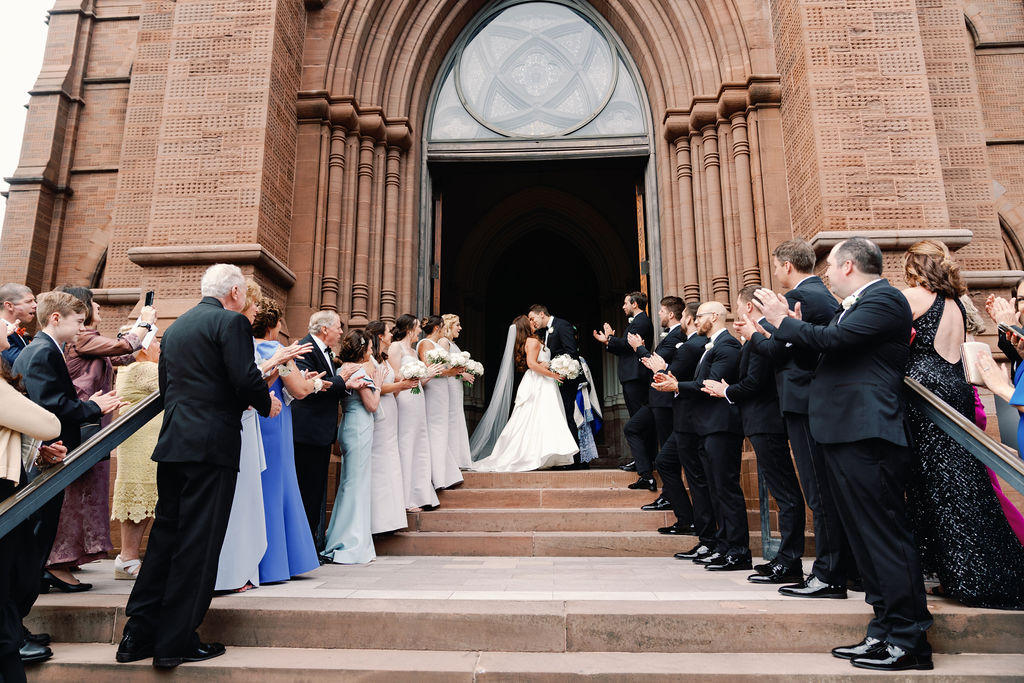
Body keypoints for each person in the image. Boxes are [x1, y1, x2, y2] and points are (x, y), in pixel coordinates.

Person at [755, 237, 933, 672]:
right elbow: (829, 346)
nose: (825, 274)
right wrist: (790, 331)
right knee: (864, 538)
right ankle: (883, 630)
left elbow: (835, 340)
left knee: (884, 536)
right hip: (844, 432)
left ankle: (909, 639)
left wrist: (782, 323)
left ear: (849, 266)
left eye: (830, 266)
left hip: (867, 433)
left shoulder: (885, 299)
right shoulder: (856, 304)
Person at [116, 264, 278, 669]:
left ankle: (137, 636)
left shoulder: (177, 327)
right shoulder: (231, 324)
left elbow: (169, 388)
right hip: (211, 447)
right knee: (199, 543)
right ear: (236, 292)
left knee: (166, 538)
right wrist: (266, 403)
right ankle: (176, 641)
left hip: (173, 445)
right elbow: (243, 378)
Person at [901, 240, 1024, 609]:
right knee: (964, 479)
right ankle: (964, 570)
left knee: (935, 484)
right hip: (957, 388)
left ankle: (967, 574)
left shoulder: (914, 297)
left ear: (915, 267)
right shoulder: (954, 303)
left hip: (925, 391)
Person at [736, 238, 850, 599]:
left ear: (787, 265)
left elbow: (787, 352)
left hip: (807, 402)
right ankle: (829, 571)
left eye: (774, 265)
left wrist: (758, 333)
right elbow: (787, 347)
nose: (773, 272)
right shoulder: (809, 296)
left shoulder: (809, 297)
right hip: (802, 403)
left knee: (819, 493)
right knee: (818, 491)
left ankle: (830, 575)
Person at [45, 287, 155, 589]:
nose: (99, 309)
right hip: (80, 420)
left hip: (94, 422)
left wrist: (145, 334)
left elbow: (126, 355)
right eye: (94, 304)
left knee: (85, 491)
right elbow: (125, 346)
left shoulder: (89, 340)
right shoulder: (82, 338)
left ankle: (67, 558)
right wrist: (144, 322)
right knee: (72, 495)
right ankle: (55, 563)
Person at [703, 286, 804, 585]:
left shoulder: (762, 336)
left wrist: (726, 391)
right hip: (760, 422)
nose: (735, 311)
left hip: (767, 421)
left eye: (737, 305)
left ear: (748, 308)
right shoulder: (756, 338)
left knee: (785, 493)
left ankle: (789, 561)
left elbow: (755, 383)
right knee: (782, 492)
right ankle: (784, 558)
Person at [661, 301, 748, 571]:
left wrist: (677, 385)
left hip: (721, 427)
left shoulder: (727, 346)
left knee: (726, 490)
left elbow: (710, 383)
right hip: (707, 427)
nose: (695, 321)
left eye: (699, 317)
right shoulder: (711, 346)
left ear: (714, 316)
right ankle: (723, 546)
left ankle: (739, 551)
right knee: (715, 489)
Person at [0, 318, 63, 679]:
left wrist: (38, 455)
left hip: (9, 489)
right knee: (13, 585)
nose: (10, 325)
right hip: (3, 499)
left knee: (16, 584)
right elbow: (49, 424)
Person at [251, 297, 322, 584]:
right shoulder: (278, 350)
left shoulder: (246, 347)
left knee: (257, 487)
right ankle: (276, 563)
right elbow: (298, 388)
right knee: (276, 487)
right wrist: (314, 383)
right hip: (274, 422)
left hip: (251, 420)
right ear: (273, 324)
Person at [472, 315, 577, 472]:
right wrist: (553, 375)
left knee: (539, 418)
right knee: (538, 417)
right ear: (525, 327)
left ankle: (540, 454)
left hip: (541, 381)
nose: (533, 322)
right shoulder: (533, 341)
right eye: (530, 322)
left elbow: (536, 362)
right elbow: (532, 364)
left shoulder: (531, 340)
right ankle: (535, 454)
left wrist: (549, 365)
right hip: (540, 382)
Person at [290, 311, 352, 551]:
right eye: (338, 327)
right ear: (324, 329)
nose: (340, 332)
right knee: (306, 492)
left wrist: (343, 384)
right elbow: (311, 388)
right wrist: (342, 379)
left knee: (315, 492)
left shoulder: (324, 351)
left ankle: (310, 547)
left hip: (319, 433)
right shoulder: (305, 348)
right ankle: (303, 549)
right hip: (306, 433)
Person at [322, 330, 386, 564]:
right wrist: (378, 385)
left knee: (349, 484)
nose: (372, 352)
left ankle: (340, 536)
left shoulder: (343, 368)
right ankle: (351, 542)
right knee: (356, 485)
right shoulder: (358, 370)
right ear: (362, 350)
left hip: (349, 425)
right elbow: (371, 404)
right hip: (359, 427)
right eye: (370, 348)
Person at [643, 302, 705, 537]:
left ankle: (701, 530)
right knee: (667, 462)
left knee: (697, 477)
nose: (697, 321)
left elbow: (673, 376)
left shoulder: (692, 346)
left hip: (690, 419)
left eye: (698, 317)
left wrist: (662, 367)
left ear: (686, 319)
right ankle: (688, 521)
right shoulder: (692, 344)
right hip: (684, 417)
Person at [622, 296, 687, 491]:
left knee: (667, 450)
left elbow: (655, 362)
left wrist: (638, 348)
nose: (657, 313)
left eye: (660, 310)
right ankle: (646, 475)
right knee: (632, 428)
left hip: (665, 399)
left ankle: (669, 494)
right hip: (656, 398)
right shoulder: (670, 335)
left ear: (671, 314)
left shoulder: (677, 337)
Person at [111, 336, 162, 580]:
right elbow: (177, 384)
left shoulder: (130, 368)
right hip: (141, 443)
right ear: (142, 347)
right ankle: (127, 557)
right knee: (138, 499)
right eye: (156, 343)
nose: (160, 348)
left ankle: (129, 557)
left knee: (146, 499)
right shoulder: (144, 368)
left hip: (144, 442)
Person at [593, 292, 654, 471]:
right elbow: (625, 349)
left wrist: (610, 339)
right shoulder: (637, 322)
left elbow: (628, 345)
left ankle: (645, 461)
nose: (623, 306)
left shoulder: (641, 321)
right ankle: (642, 460)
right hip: (631, 375)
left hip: (636, 376)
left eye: (626, 303)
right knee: (636, 418)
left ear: (635, 304)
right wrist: (609, 341)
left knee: (638, 420)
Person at [389, 314, 442, 511]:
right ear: (410, 328)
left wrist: (429, 374)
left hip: (418, 398)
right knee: (406, 443)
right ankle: (404, 499)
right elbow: (394, 376)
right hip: (404, 398)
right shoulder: (396, 347)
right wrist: (414, 374)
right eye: (418, 327)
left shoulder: (412, 350)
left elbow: (419, 382)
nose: (420, 330)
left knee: (419, 444)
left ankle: (419, 495)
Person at [366, 321, 414, 534]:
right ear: (379, 336)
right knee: (381, 461)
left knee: (391, 460)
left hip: (391, 408)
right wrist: (400, 386)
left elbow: (390, 386)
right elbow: (376, 386)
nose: (391, 334)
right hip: (381, 412)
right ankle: (378, 519)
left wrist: (402, 382)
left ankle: (390, 518)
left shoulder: (383, 359)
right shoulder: (369, 360)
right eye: (387, 331)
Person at [527, 304, 583, 463]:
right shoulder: (542, 332)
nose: (533, 322)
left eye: (533, 318)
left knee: (566, 416)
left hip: (565, 379)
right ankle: (562, 458)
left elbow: (571, 352)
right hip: (553, 380)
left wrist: (550, 365)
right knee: (557, 419)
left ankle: (574, 460)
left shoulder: (562, 325)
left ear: (542, 314)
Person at [417, 315, 463, 490]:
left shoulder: (435, 344)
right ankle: (436, 476)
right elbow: (431, 369)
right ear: (437, 328)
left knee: (441, 430)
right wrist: (451, 372)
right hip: (433, 390)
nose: (445, 330)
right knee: (435, 429)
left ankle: (443, 473)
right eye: (443, 327)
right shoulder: (425, 344)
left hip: (441, 390)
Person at [442, 314, 474, 470]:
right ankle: (451, 460)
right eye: (457, 325)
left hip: (456, 385)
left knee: (456, 418)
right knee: (451, 418)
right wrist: (462, 374)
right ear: (448, 326)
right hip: (449, 385)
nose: (460, 328)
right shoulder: (443, 342)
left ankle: (458, 458)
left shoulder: (452, 344)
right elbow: (441, 367)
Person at [0, 284, 36, 367]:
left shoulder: (18, 331)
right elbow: (18, 361)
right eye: (29, 301)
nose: (35, 305)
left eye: (34, 301)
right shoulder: (2, 331)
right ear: (9, 306)